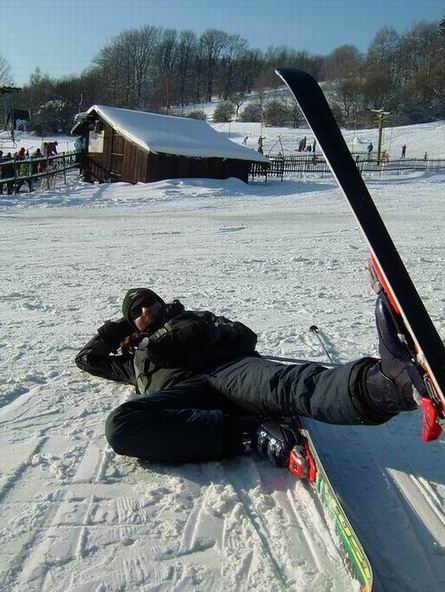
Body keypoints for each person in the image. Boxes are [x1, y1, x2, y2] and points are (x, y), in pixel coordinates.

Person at [75, 287, 423, 467]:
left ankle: (385, 386)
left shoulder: (191, 317)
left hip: (229, 371)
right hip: (188, 397)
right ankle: (249, 432)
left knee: (286, 384)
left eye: (149, 302)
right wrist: (117, 328)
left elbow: (245, 336)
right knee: (120, 425)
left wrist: (193, 333)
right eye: (136, 311)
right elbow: (87, 360)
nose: (146, 310)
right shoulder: (136, 360)